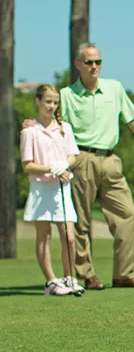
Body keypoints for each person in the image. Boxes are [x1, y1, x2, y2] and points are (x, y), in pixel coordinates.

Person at [25, 42, 134, 290]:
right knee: (81, 221)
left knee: (127, 214)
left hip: (111, 160)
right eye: (89, 62)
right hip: (81, 160)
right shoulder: (67, 95)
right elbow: (54, 123)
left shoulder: (115, 89)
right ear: (78, 65)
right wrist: (33, 124)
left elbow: (133, 120)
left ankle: (123, 274)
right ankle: (86, 275)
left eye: (98, 62)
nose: (94, 67)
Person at [20, 84, 84, 296]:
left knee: (69, 236)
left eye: (55, 102)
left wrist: (64, 166)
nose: (51, 106)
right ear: (38, 101)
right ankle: (51, 282)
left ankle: (69, 277)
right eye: (47, 101)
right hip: (41, 188)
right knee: (44, 236)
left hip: (61, 187)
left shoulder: (64, 127)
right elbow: (27, 165)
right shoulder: (30, 131)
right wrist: (50, 168)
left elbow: (73, 155)